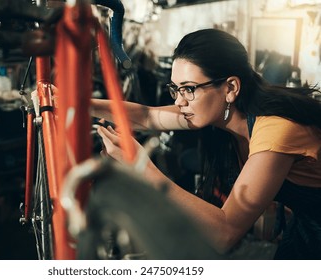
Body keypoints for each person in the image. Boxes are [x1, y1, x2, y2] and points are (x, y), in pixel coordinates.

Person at [91, 28, 321, 259]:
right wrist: (80, 105)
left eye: (189, 89)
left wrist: (141, 165)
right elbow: (149, 116)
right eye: (175, 88)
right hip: (306, 226)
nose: (179, 101)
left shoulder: (275, 131)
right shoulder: (223, 114)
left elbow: (225, 233)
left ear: (230, 88)